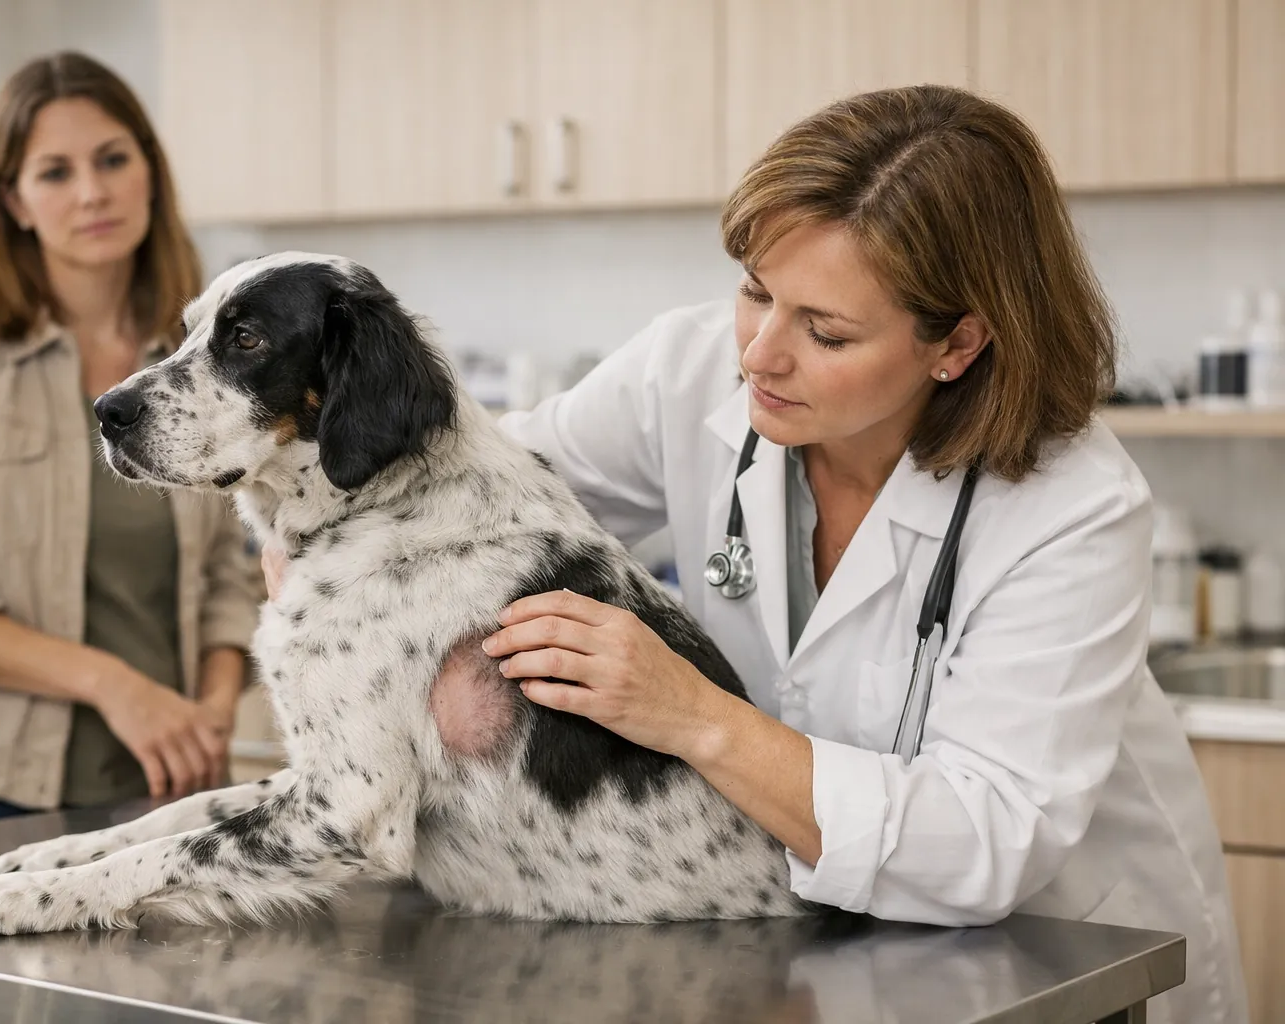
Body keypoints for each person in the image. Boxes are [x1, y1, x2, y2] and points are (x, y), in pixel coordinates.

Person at [479, 86, 1246, 1023]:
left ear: (957, 342)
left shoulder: (1071, 504)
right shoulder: (683, 375)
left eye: (825, 330)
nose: (760, 354)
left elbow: (985, 839)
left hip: (1055, 956)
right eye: (757, 290)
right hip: (827, 953)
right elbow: (480, 486)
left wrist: (692, 716)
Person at [0, 51, 261, 858]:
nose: (92, 192)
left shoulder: (200, 353)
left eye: (112, 160)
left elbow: (225, 574)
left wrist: (210, 705)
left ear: (149, 173)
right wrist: (115, 685)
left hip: (159, 795)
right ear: (15, 201)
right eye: (55, 172)